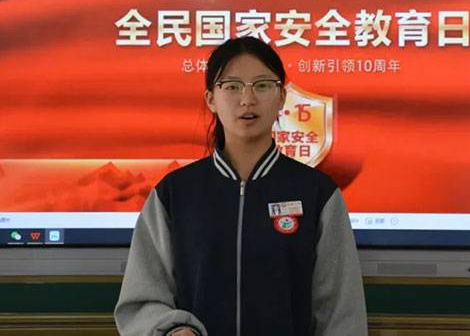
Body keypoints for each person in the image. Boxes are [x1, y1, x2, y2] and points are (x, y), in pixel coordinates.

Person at [114, 36, 367, 336]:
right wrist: (171, 330)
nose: (247, 99)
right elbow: (141, 301)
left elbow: (341, 313)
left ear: (282, 97)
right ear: (211, 99)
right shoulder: (174, 194)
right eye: (232, 86)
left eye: (262, 85)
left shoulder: (318, 194)